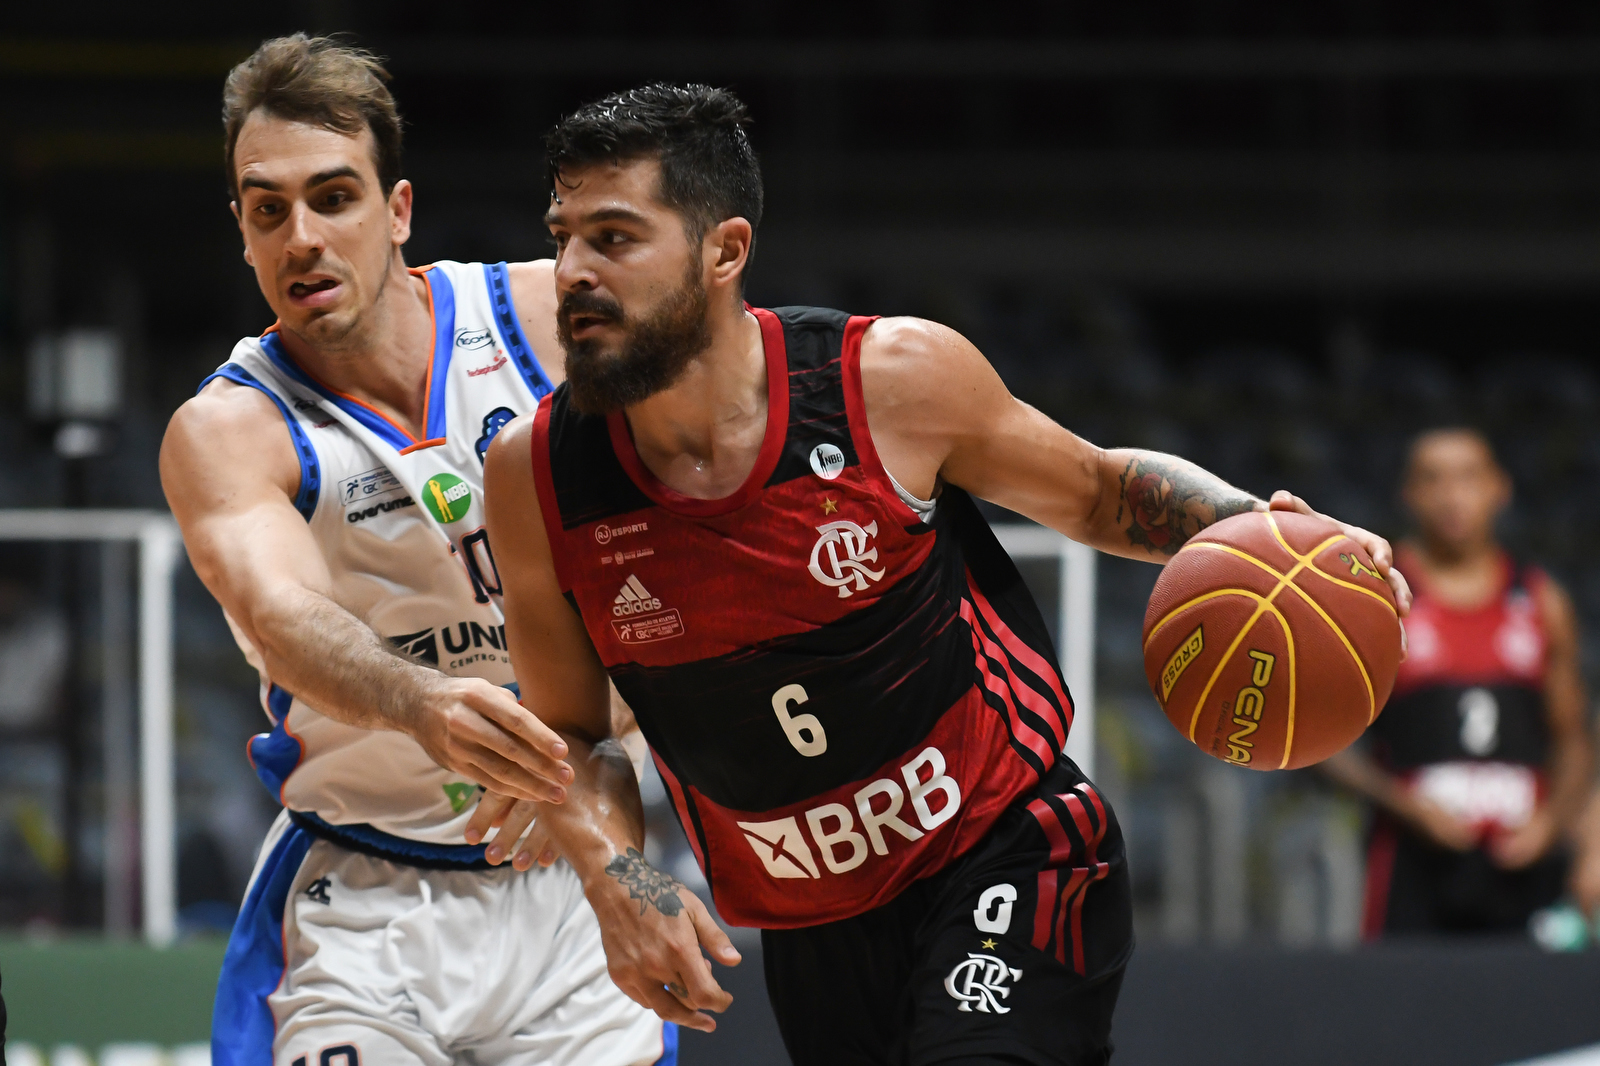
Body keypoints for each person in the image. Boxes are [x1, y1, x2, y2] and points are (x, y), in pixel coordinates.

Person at [467, 83, 1409, 1066]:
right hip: (815, 930)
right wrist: (623, 880)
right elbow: (571, 741)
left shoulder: (887, 382)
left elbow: (1098, 491)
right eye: (562, 238)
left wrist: (1268, 531)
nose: (570, 272)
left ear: (724, 251)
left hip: (1006, 850)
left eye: (614, 238)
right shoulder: (536, 477)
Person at [160, 36, 670, 1066]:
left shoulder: (547, 320)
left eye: (333, 198)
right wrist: (419, 702)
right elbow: (280, 618)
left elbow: (700, 523)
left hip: (579, 864)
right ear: (243, 234)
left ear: (396, 211)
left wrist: (617, 778)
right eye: (268, 210)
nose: (303, 237)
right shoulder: (229, 429)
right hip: (365, 900)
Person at [1323, 428, 1591, 937]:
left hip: (1522, 865)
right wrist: (1403, 805)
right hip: (1410, 862)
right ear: (1408, 494)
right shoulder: (1374, 597)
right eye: (1433, 480)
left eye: (1469, 478)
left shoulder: (1540, 601)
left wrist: (1552, 822)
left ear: (1499, 489)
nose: (1451, 496)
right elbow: (1319, 742)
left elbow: (1573, 738)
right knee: (1405, 990)